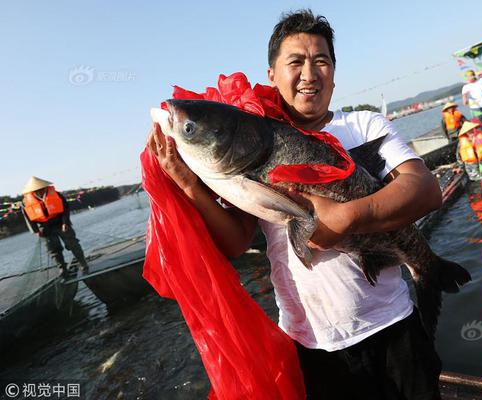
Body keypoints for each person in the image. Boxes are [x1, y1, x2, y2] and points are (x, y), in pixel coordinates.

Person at [147, 10, 443, 399]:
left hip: (393, 329)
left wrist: (346, 216)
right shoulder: (253, 140)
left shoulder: (364, 126)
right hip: (311, 344)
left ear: (334, 72)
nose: (309, 73)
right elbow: (236, 242)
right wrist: (187, 182)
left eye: (321, 61)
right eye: (295, 62)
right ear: (272, 75)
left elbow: (425, 191)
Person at [21, 176, 89, 276]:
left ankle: (83, 264)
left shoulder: (56, 194)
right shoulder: (25, 202)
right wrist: (35, 231)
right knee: (54, 249)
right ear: (32, 191)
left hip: (60, 223)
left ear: (45, 187)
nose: (40, 191)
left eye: (41, 188)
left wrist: (65, 222)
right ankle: (63, 269)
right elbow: (27, 217)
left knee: (72, 244)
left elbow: (65, 208)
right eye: (36, 190)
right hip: (44, 228)